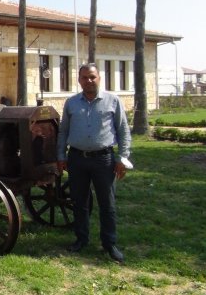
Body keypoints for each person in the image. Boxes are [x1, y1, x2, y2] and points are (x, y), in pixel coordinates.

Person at [56, 63, 131, 263]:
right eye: (84, 77)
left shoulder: (113, 101)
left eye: (92, 77)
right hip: (77, 158)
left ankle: (109, 244)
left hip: (104, 159)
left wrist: (122, 158)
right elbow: (63, 131)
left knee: (107, 204)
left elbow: (123, 131)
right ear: (79, 80)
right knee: (79, 202)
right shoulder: (71, 103)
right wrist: (61, 156)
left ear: (99, 78)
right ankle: (81, 239)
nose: (88, 81)